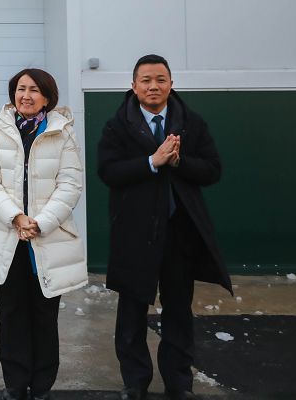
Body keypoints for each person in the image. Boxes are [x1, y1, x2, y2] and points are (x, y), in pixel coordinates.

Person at [98, 54, 232, 400]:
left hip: (179, 233)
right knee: (131, 312)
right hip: (134, 234)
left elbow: (212, 170)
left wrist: (179, 161)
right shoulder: (118, 126)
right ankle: (135, 382)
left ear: (171, 84)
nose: (153, 86)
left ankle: (179, 382)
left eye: (160, 79)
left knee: (178, 310)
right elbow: (108, 171)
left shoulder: (191, 123)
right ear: (133, 86)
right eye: (146, 80)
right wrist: (151, 162)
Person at [0, 68, 88, 400]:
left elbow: (70, 184)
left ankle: (41, 386)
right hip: (8, 235)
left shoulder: (62, 132)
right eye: (20, 89)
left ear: (47, 97)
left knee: (44, 315)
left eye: (34, 89)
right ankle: (15, 384)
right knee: (12, 315)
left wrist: (40, 223)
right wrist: (16, 218)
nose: (26, 95)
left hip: (46, 238)